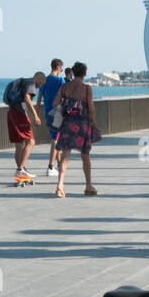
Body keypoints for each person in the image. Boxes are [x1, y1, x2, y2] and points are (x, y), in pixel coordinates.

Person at [53, 61, 99, 197]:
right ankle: (88, 186)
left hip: (67, 123)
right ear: (84, 74)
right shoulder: (86, 88)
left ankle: (60, 185)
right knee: (85, 155)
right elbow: (91, 108)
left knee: (65, 154)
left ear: (73, 72)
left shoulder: (65, 87)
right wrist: (93, 123)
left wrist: (66, 105)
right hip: (83, 124)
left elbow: (54, 103)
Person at [5, 71, 46, 181]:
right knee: (30, 141)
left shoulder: (23, 81)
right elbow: (27, 98)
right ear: (40, 78)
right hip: (20, 113)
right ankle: (19, 170)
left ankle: (21, 170)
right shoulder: (32, 83)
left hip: (11, 112)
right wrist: (36, 116)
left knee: (19, 144)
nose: (40, 86)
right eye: (42, 83)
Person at [41, 58, 65, 176]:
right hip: (57, 112)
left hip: (47, 112)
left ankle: (59, 164)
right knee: (55, 139)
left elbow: (40, 96)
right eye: (62, 68)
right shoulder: (60, 80)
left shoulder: (44, 80)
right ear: (59, 67)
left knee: (55, 137)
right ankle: (50, 167)